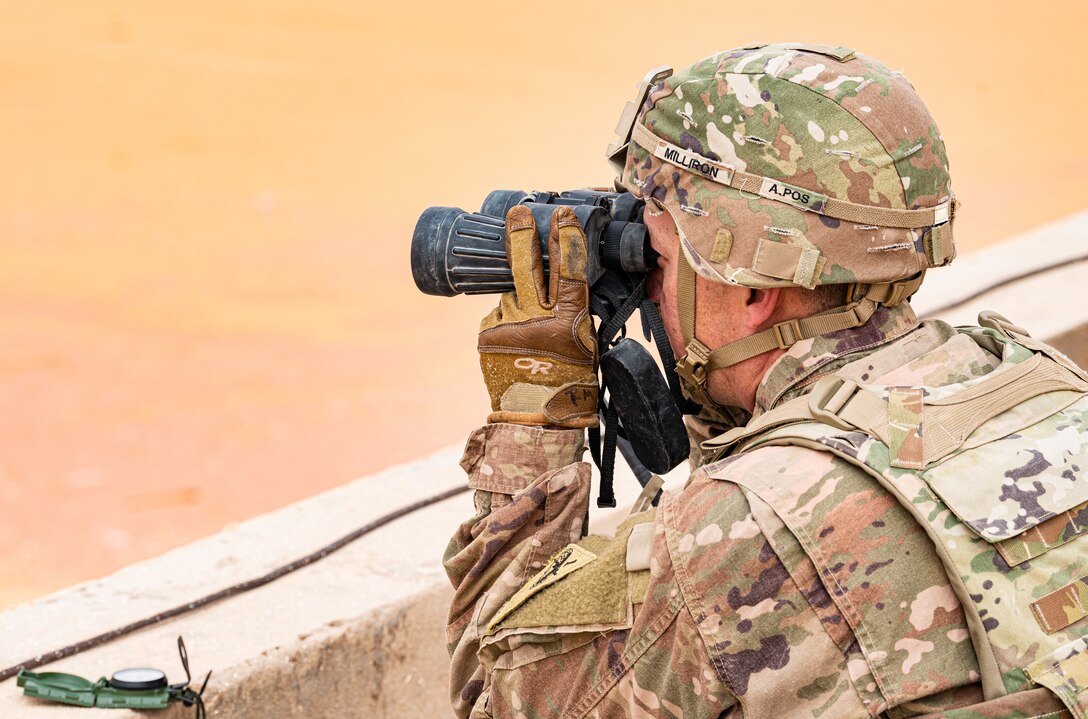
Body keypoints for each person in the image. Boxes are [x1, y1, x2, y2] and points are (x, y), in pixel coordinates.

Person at [442, 43, 1088, 718]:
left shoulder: (748, 527)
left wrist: (530, 416)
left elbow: (494, 699)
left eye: (659, 257)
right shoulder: (1046, 390)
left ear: (753, 292)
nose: (648, 288)